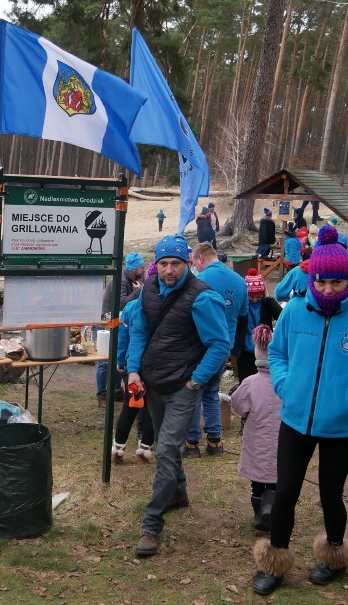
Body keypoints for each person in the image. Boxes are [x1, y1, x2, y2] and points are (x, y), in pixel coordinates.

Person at [252, 224, 348, 595]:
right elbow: (279, 353)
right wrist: (284, 385)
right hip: (295, 420)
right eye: (322, 282)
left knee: (331, 493)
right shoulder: (296, 310)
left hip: (343, 426)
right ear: (311, 279)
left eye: (336, 283)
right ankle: (275, 560)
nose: (328, 290)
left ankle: (333, 556)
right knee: (285, 492)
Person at [127, 235, 230, 557]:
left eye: (176, 263)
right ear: (155, 265)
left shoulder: (202, 298)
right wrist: (132, 370)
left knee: (167, 448)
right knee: (168, 448)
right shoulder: (149, 290)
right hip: (153, 384)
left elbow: (220, 344)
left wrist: (196, 381)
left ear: (188, 264)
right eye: (163, 263)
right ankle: (179, 493)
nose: (169, 270)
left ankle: (151, 524)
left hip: (183, 388)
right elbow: (140, 332)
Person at [183, 242, 248, 458]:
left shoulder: (200, 281)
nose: (194, 267)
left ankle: (192, 443)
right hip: (224, 346)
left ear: (200, 258)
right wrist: (234, 348)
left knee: (193, 392)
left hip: (200, 345)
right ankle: (215, 441)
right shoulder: (240, 281)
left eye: (194, 262)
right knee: (211, 393)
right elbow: (243, 317)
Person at [232, 325, 280, 531]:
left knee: (257, 480)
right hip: (281, 437)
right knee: (276, 478)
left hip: (256, 438)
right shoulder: (284, 382)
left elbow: (238, 403)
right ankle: (271, 507)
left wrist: (246, 414)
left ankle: (259, 510)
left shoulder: (250, 383)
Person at [95, 251, 146, 408]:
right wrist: (138, 292)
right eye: (141, 267)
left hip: (120, 324)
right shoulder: (121, 281)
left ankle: (117, 391)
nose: (144, 270)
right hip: (109, 323)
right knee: (105, 360)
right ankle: (102, 394)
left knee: (118, 357)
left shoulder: (134, 279)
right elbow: (122, 304)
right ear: (134, 268)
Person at [111, 296, 155, 463]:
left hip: (133, 365)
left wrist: (120, 361)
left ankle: (117, 450)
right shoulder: (161, 306)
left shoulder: (130, 308)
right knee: (152, 408)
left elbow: (123, 338)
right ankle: (144, 450)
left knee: (129, 408)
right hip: (155, 365)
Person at [238, 269, 282, 382]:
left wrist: (268, 298)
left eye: (258, 297)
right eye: (251, 297)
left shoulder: (266, 303)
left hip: (265, 351)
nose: (254, 300)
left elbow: (281, 316)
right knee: (246, 382)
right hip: (245, 352)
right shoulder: (242, 304)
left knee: (266, 383)